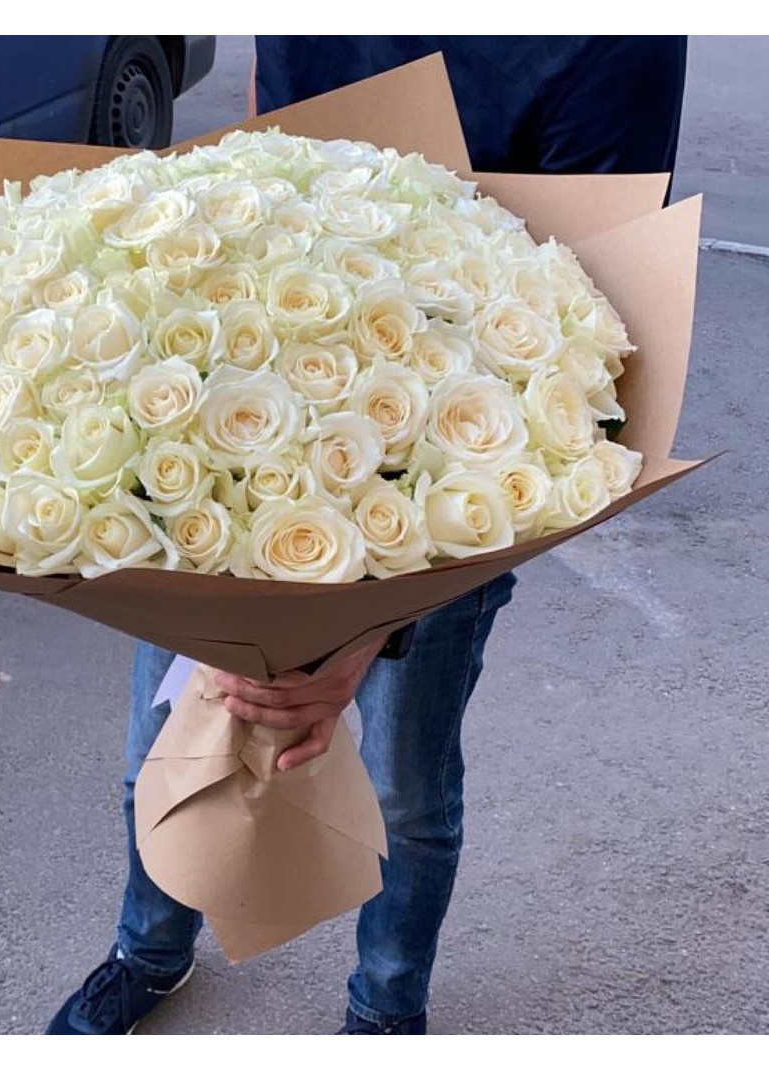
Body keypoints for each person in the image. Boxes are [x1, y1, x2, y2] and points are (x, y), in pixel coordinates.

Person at [46, 35, 688, 1036]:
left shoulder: (610, 37)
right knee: (159, 754)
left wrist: (368, 628)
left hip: (455, 477)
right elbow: (253, 181)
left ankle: (387, 1010)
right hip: (222, 456)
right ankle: (150, 948)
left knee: (403, 793)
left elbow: (589, 312)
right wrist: (200, 548)